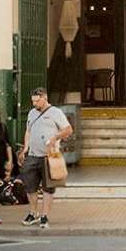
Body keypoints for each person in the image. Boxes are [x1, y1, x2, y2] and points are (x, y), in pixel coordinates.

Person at [17, 87, 73, 229]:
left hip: (49, 156)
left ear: (44, 98)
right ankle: (33, 212)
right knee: (30, 186)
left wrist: (55, 137)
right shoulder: (31, 113)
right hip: (33, 155)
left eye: (37, 101)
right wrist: (25, 148)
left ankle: (44, 216)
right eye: (33, 101)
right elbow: (28, 131)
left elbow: (68, 129)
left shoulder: (56, 113)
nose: (34, 104)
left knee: (48, 188)